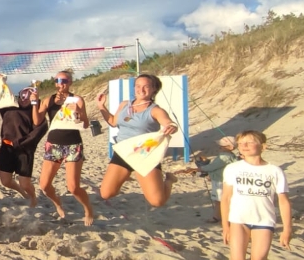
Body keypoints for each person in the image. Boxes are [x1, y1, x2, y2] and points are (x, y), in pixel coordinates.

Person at [221, 130, 292, 260]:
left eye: (249, 142)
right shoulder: (232, 168)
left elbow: (283, 201)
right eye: (241, 143)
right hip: (239, 220)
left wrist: (287, 229)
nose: (244, 146)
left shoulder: (274, 171)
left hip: (264, 221)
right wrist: (225, 226)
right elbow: (226, 198)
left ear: (263, 146)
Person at [96, 74, 178, 207]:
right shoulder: (124, 104)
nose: (141, 89)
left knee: (157, 202)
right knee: (106, 193)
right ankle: (128, 174)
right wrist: (101, 106)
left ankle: (169, 180)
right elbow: (112, 122)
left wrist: (171, 126)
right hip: (124, 152)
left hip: (145, 154)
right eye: (138, 86)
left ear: (153, 89)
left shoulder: (155, 110)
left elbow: (168, 122)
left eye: (146, 86)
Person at [34, 70, 94, 225]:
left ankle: (88, 209)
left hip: (73, 144)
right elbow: (37, 121)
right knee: (44, 185)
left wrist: (78, 111)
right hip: (53, 144)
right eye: (58, 81)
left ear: (70, 82)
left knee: (73, 188)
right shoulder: (48, 100)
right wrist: (35, 103)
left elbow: (85, 124)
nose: (60, 84)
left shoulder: (77, 99)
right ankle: (58, 203)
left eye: (64, 81)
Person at [0, 81, 46, 205]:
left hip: (24, 149)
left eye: (29, 95)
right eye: (23, 94)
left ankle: (33, 197)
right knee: (5, 181)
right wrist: (0, 81)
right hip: (7, 147)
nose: (25, 98)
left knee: (25, 183)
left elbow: (38, 130)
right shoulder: (9, 107)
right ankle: (22, 192)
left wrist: (35, 103)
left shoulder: (36, 112)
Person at [181, 137, 238, 222]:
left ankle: (217, 217)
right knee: (220, 200)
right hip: (221, 180)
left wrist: (199, 168)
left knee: (219, 200)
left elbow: (212, 167)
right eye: (220, 145)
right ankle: (222, 217)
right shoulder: (230, 155)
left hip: (220, 181)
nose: (220, 147)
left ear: (231, 147)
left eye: (223, 146)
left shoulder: (225, 156)